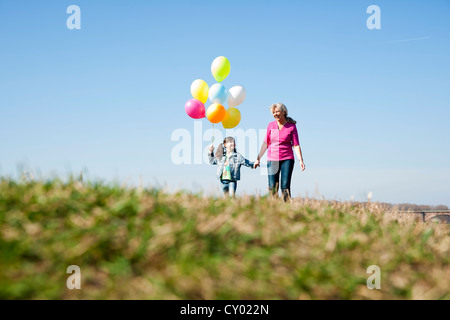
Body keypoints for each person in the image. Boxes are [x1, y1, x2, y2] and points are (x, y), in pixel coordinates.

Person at [254, 103, 305, 201]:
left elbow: (296, 144)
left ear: (284, 112)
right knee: (272, 186)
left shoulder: (291, 126)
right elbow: (266, 143)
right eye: (273, 112)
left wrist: (301, 160)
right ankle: (273, 208)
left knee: (285, 186)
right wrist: (258, 158)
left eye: (277, 111)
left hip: (287, 159)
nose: (275, 114)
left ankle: (286, 208)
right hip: (272, 159)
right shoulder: (271, 125)